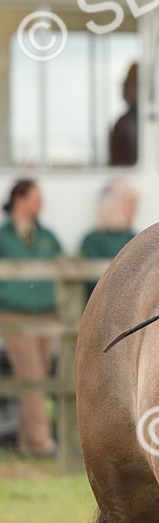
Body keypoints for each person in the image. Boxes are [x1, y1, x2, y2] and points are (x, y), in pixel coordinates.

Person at [0, 180, 62, 458]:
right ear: (20, 200)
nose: (42, 204)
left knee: (42, 373)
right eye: (36, 197)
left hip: (47, 314)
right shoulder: (4, 237)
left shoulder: (47, 235)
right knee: (32, 374)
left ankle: (27, 443)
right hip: (16, 314)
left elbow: (63, 263)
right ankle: (42, 441)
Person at [109, 63, 159, 166]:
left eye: (142, 84)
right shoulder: (121, 125)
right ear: (127, 88)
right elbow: (116, 164)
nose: (138, 89)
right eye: (134, 84)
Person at [80, 180, 139, 300]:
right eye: (130, 204)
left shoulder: (135, 237)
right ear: (115, 206)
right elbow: (93, 281)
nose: (134, 210)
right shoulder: (92, 240)